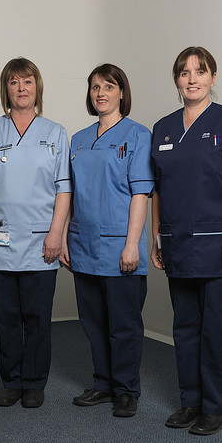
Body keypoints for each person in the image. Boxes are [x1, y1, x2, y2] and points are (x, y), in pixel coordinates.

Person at [150, 47, 222, 435]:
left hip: (220, 247)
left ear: (213, 78)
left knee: (217, 331)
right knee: (185, 329)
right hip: (178, 245)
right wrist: (157, 236)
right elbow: (158, 189)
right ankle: (191, 402)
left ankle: (216, 409)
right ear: (176, 80)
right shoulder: (163, 128)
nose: (192, 79)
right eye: (184, 73)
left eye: (200, 72)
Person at [0, 57, 71, 408]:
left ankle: (35, 382)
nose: (21, 88)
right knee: (6, 317)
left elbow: (64, 189)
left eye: (27, 81)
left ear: (37, 87)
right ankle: (11, 381)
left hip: (42, 239)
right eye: (14, 82)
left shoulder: (55, 133)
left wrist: (57, 234)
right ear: (5, 89)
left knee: (37, 318)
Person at [60, 64, 154, 418]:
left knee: (123, 325)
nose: (101, 93)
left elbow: (140, 193)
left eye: (109, 86)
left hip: (119, 246)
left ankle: (126, 390)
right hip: (83, 244)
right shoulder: (78, 139)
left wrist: (132, 244)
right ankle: (103, 383)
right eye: (95, 87)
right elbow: (70, 193)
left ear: (122, 93)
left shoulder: (138, 135)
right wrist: (64, 237)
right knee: (93, 322)